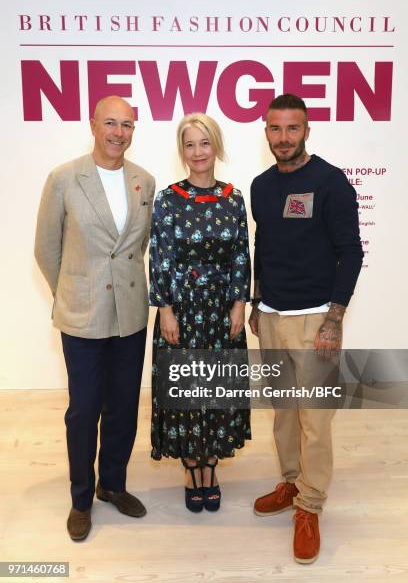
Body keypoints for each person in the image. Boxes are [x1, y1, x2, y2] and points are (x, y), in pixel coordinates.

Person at [34, 96, 155, 541]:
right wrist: (71, 291)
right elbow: (47, 249)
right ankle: (81, 498)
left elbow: (134, 250)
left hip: (131, 315)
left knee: (123, 407)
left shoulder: (145, 180)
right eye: (110, 122)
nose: (118, 132)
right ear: (93, 125)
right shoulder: (64, 178)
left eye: (127, 125)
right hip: (81, 315)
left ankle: (113, 485)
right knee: (83, 411)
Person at [249, 94, 363, 563]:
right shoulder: (259, 185)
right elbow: (264, 246)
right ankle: (291, 481)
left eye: (292, 129)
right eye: (275, 129)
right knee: (283, 413)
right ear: (266, 131)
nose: (283, 138)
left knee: (315, 419)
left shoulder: (331, 182)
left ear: (307, 131)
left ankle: (310, 505)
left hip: (318, 317)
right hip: (272, 317)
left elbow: (350, 252)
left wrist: (334, 319)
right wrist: (257, 303)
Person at [149, 113, 251, 512]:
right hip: (183, 310)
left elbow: (242, 253)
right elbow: (160, 255)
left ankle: (211, 463)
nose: (198, 152)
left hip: (222, 311)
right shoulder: (169, 198)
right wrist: (166, 311)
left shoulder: (234, 197)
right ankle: (191, 467)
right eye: (189, 145)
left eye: (204, 143)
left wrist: (240, 304)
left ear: (216, 146)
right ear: (182, 151)